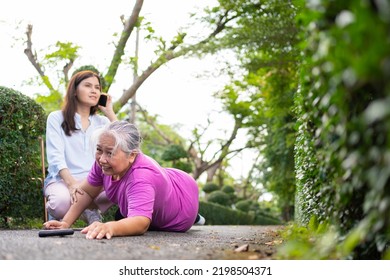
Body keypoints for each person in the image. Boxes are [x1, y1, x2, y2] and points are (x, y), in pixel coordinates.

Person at [44, 120, 205, 239]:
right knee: (123, 217)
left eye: (110, 153)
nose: (102, 159)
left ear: (132, 155)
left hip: (182, 204)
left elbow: (141, 223)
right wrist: (65, 223)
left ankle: (196, 217)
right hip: (163, 182)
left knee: (123, 220)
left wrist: (110, 228)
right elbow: (86, 192)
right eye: (99, 150)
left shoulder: (141, 177)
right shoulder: (103, 163)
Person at [44, 70, 117, 225]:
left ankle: (90, 208)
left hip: (94, 182)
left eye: (97, 88)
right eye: (88, 86)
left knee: (118, 190)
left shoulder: (103, 122)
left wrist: (110, 113)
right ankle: (73, 211)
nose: (94, 91)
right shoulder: (56, 118)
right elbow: (55, 156)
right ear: (75, 91)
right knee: (59, 205)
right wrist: (72, 184)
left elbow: (125, 144)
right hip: (63, 180)